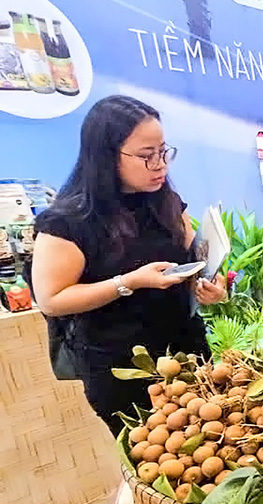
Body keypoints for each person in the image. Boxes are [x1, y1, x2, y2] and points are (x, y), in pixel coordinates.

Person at [29, 95, 227, 436]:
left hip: (186, 351)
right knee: (154, 461)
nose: (160, 165)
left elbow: (193, 255)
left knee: (210, 443)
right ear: (105, 157)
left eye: (163, 152)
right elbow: (52, 298)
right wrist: (128, 282)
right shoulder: (69, 221)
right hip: (121, 366)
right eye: (146, 156)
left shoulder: (165, 201)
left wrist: (210, 282)